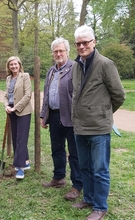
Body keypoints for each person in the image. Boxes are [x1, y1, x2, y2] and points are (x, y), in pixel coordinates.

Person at [71, 25, 125, 220]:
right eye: (78, 43)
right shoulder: (76, 66)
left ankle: (100, 207)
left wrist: (104, 114)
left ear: (94, 42)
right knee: (84, 166)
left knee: (100, 169)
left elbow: (119, 95)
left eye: (86, 42)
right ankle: (89, 198)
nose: (82, 46)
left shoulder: (105, 64)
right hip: (80, 127)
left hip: (99, 129)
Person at [40, 37, 83, 201]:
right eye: (55, 51)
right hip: (55, 116)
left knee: (75, 153)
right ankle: (58, 177)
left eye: (61, 51)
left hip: (72, 118)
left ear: (67, 52)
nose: (58, 54)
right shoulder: (51, 71)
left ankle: (77, 185)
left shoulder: (75, 68)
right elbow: (46, 95)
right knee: (56, 149)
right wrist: (44, 114)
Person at [4, 56, 32, 180]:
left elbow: (27, 95)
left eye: (15, 64)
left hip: (23, 111)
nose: (14, 66)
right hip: (11, 111)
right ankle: (25, 161)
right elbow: (6, 95)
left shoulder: (25, 76)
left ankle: (20, 167)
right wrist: (6, 106)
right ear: (9, 67)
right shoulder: (8, 79)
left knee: (21, 138)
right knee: (16, 137)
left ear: (19, 65)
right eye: (11, 65)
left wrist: (15, 107)